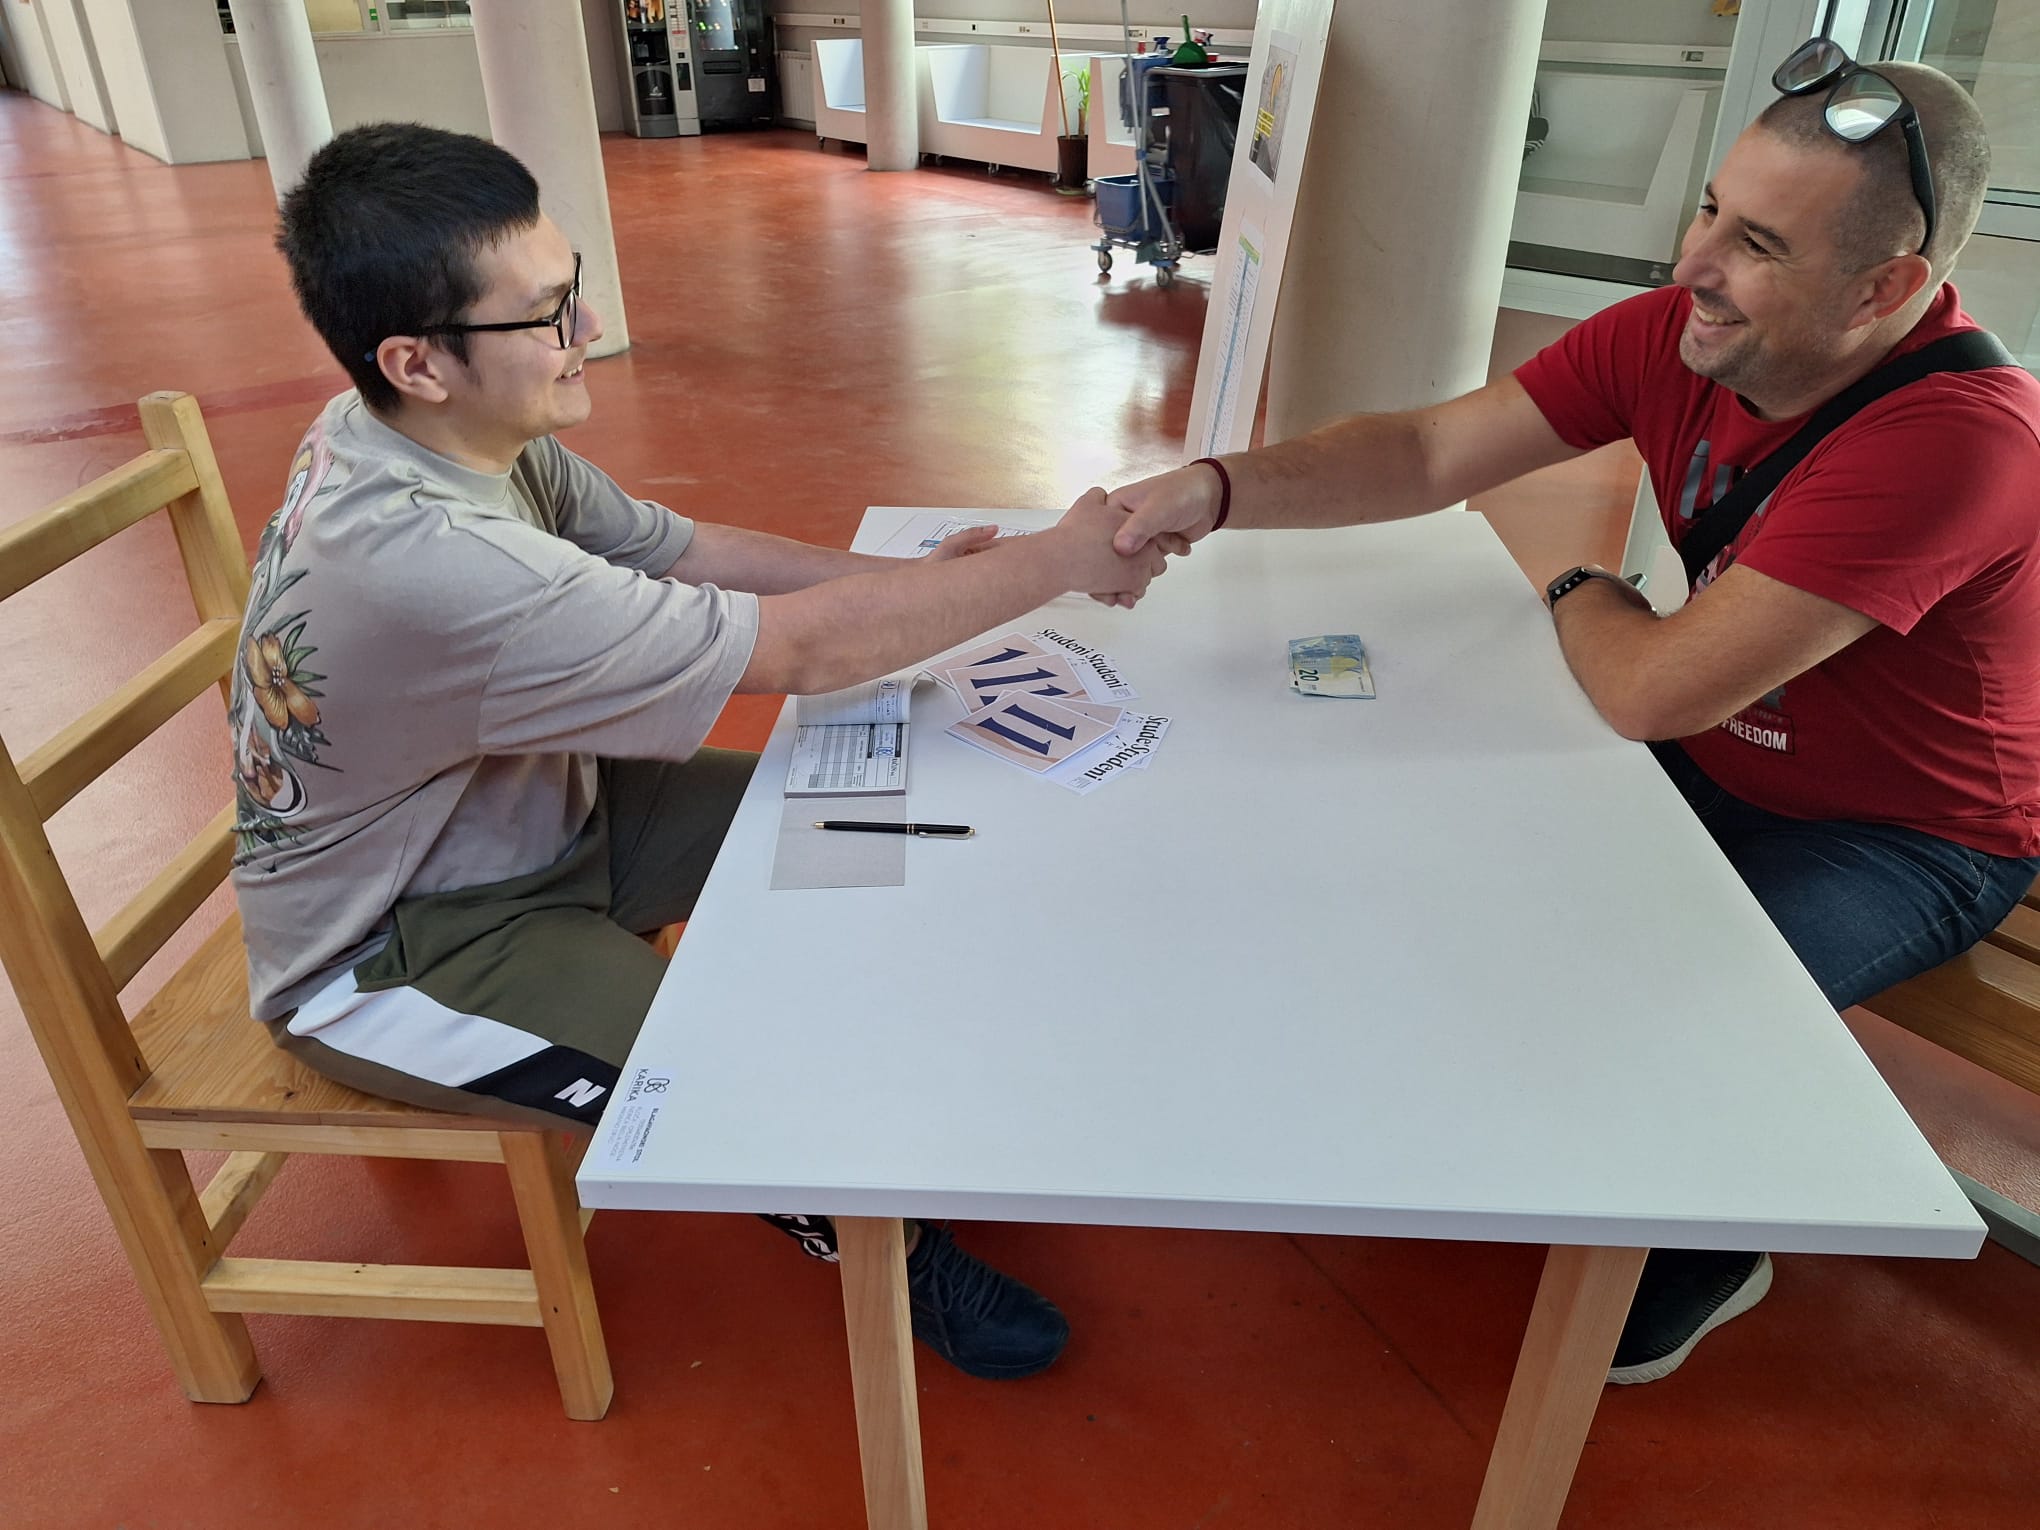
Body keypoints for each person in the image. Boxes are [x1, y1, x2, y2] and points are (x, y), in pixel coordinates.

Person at [1107, 50, 2040, 1384]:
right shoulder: (1683, 335)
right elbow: (1430, 451)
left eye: (1758, 244)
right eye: (1711, 208)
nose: (1693, 263)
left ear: (1885, 291)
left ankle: (1711, 1247)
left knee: (1650, 1011)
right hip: (1715, 752)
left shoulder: (1958, 440)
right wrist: (1216, 487)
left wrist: (1577, 588)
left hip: (1909, 834)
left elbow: (1653, 686)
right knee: (1437, 865)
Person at [230, 123, 1166, 1382]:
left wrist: (907, 576)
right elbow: (799, 654)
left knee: (891, 828)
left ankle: (864, 1108)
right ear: (419, 360)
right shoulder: (436, 563)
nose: (587, 324)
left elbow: (681, 551)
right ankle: (879, 1242)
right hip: (400, 948)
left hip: (551, 819)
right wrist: (1053, 564)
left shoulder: (423, 431)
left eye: (570, 284)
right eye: (547, 313)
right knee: (730, 1085)